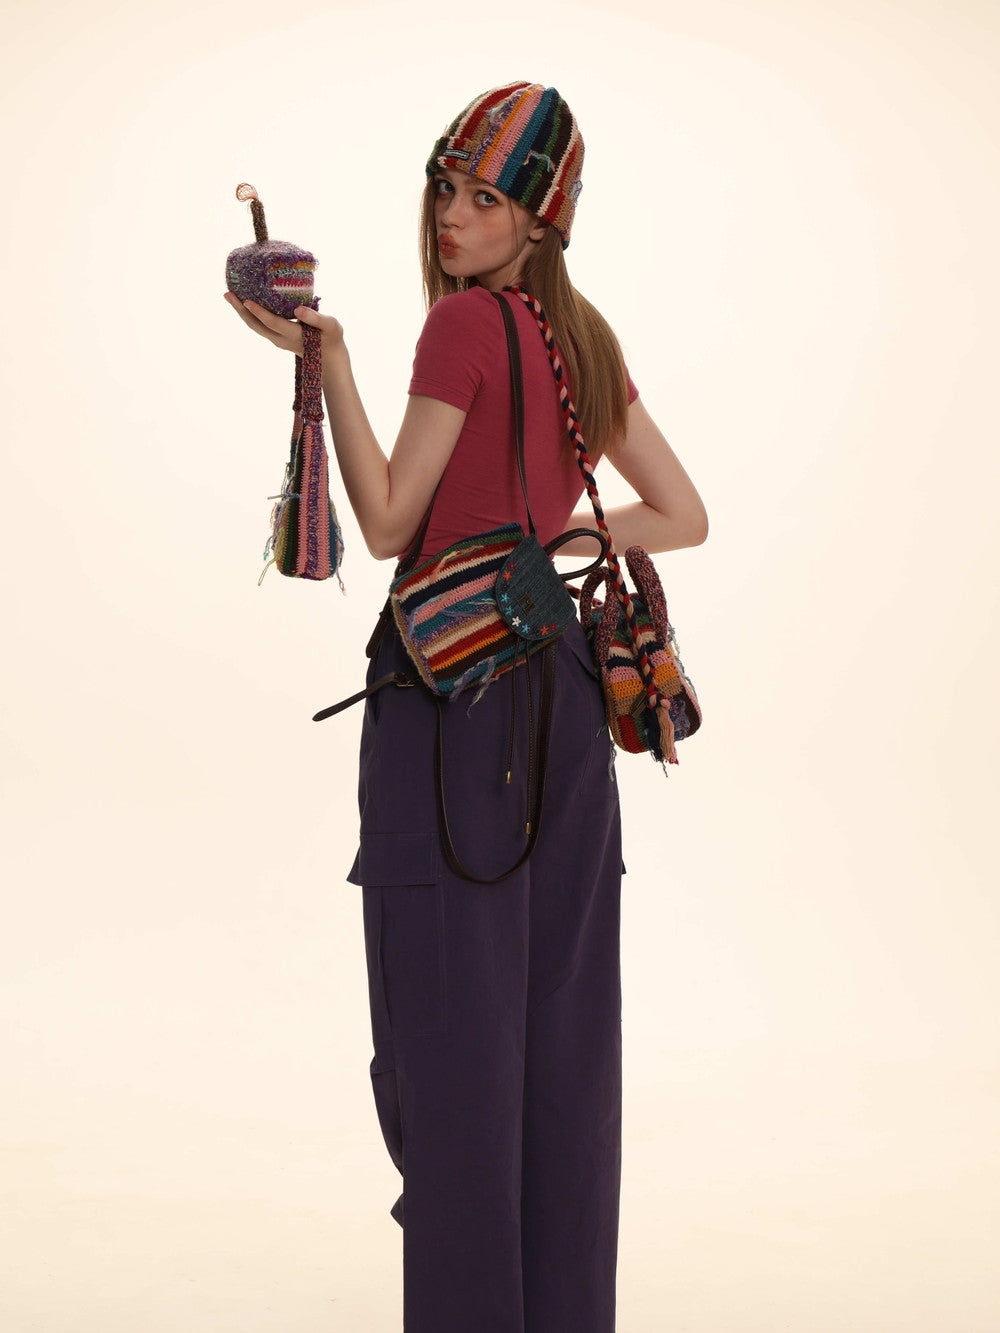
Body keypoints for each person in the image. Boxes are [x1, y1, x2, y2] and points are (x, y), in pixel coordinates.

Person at [227, 80, 707, 1333]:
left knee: (449, 1061)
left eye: (486, 196)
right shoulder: (581, 339)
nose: (453, 215)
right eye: (446, 187)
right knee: (563, 1054)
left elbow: (389, 522)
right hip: (561, 699)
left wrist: (328, 359)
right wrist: (541, 547)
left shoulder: (462, 327)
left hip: (452, 713)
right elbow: (682, 513)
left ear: (540, 218)